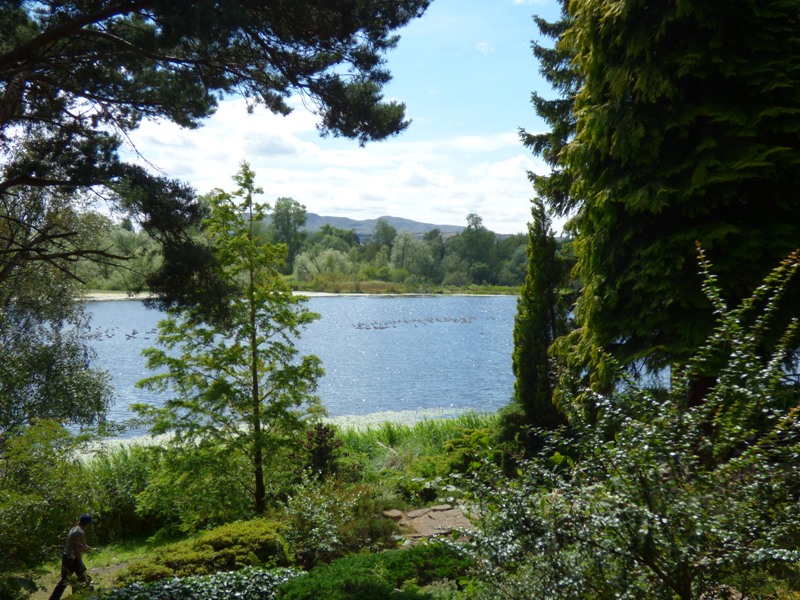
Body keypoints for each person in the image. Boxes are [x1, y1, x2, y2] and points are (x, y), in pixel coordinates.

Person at [48, 514, 93, 600]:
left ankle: (54, 598)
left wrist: (86, 547)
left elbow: (77, 543)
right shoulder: (80, 532)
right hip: (73, 559)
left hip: (65, 557)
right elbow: (77, 550)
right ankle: (91, 596)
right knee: (84, 578)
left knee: (64, 581)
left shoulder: (74, 529)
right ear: (87, 524)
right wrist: (80, 563)